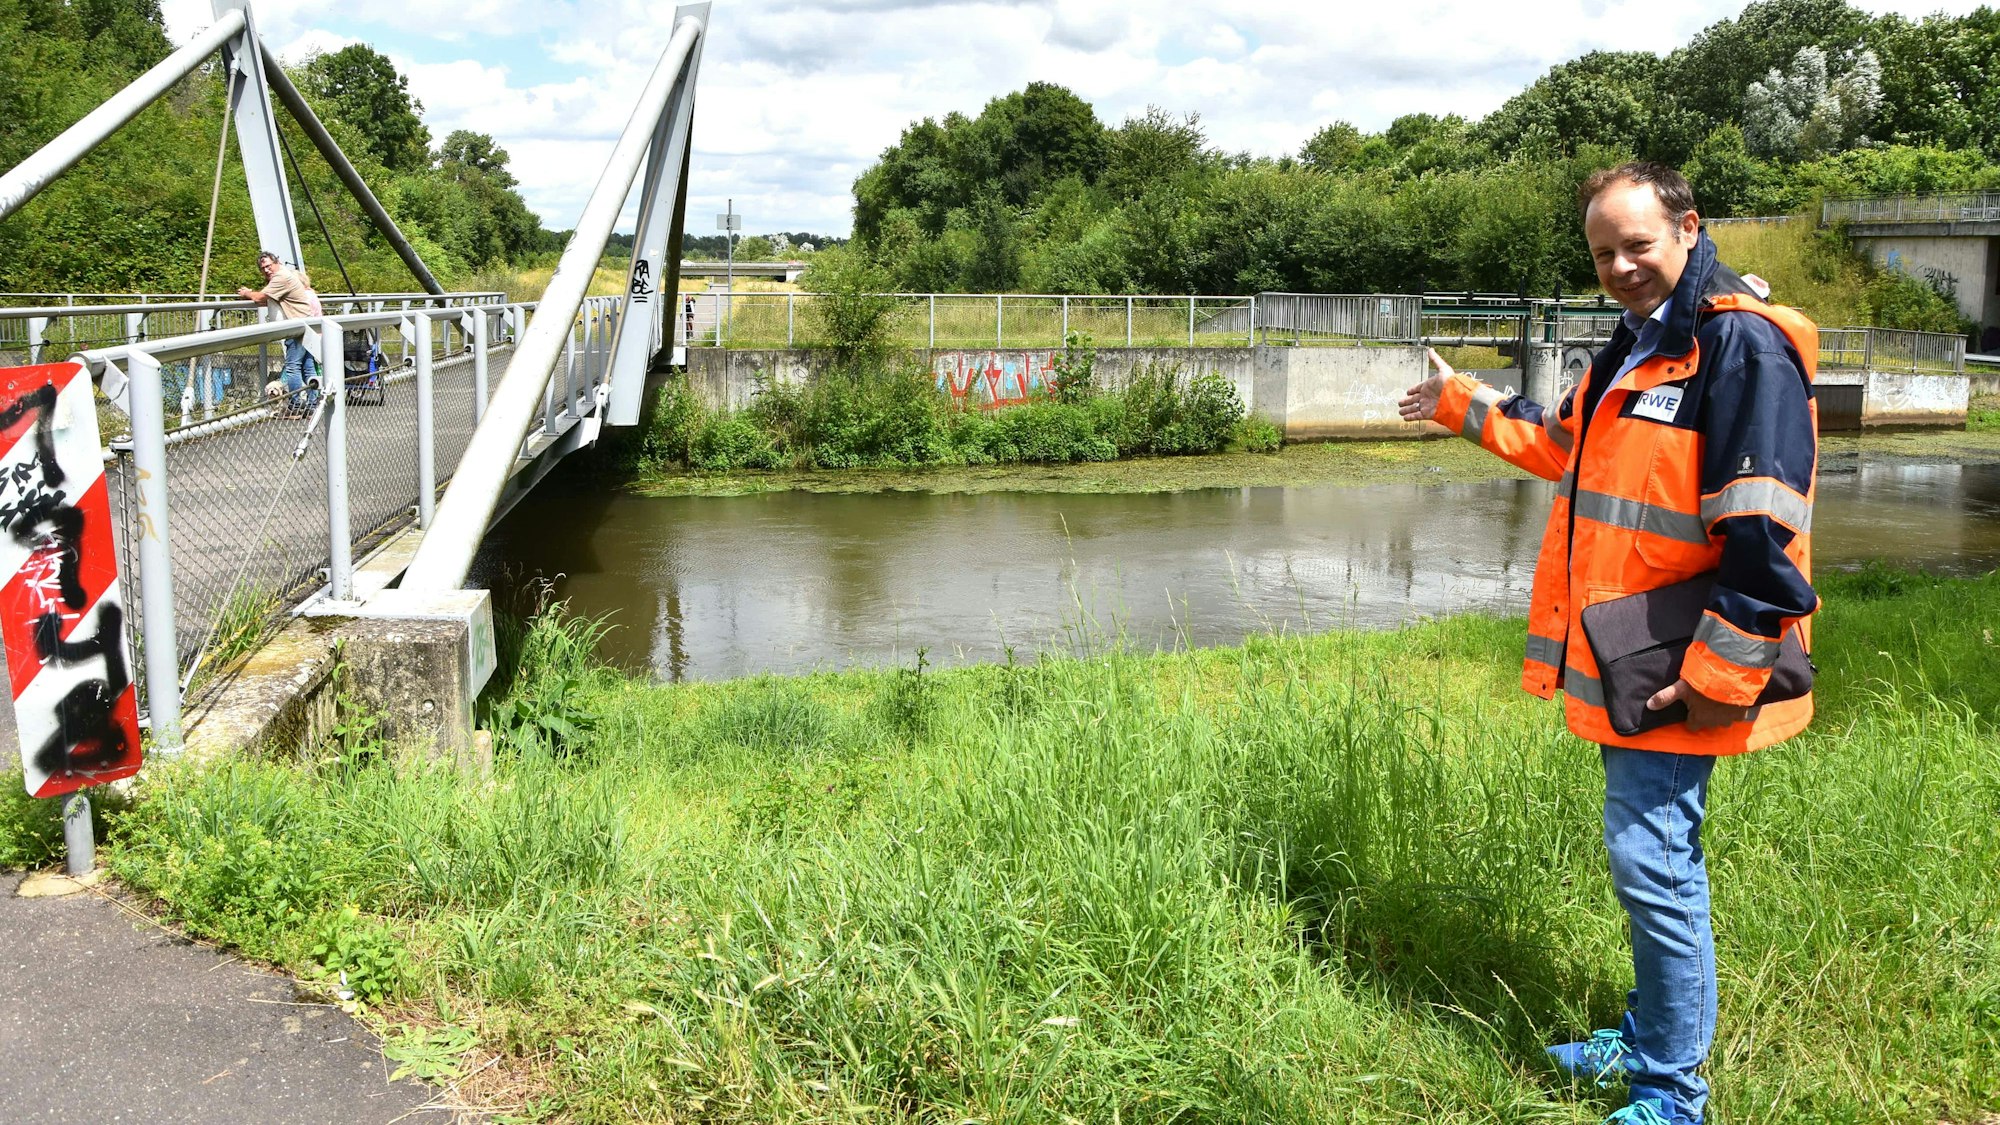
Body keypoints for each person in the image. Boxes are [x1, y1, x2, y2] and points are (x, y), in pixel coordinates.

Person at [1397, 162, 1819, 1125]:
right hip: (1634, 656)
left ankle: (1671, 1091)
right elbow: (1566, 446)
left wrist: (1719, 676)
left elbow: (1767, 529)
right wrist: (1465, 405)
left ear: (1687, 228)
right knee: (1652, 855)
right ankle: (1648, 1035)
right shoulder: (1637, 342)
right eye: (1603, 252)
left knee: (1654, 860)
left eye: (1637, 244)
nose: (1622, 265)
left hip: (1681, 665)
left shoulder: (1738, 348)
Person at [237, 251, 323, 415]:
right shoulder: (283, 276)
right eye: (263, 268)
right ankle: (313, 405)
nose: (267, 270)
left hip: (297, 328)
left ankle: (296, 406)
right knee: (308, 368)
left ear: (277, 263)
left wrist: (246, 293)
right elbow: (266, 298)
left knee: (292, 368)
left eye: (269, 266)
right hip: (306, 325)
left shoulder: (281, 277)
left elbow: (259, 298)